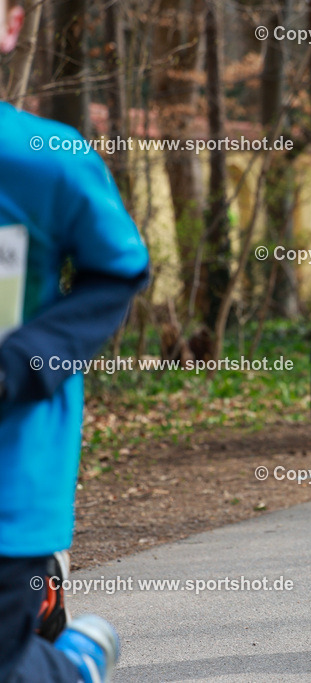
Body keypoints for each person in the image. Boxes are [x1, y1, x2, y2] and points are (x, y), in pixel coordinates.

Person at [0, 0, 150, 678]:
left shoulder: (45, 160)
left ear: (12, 26)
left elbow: (118, 269)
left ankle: (71, 663)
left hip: (12, 477)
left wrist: (24, 361)